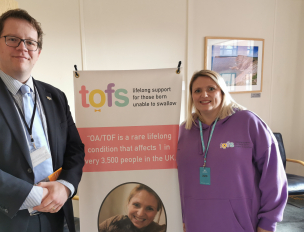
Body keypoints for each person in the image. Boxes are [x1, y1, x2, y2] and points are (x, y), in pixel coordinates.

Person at [0, 9, 84, 232]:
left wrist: (65, 187)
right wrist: (34, 196)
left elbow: (75, 150)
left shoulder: (55, 97)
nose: (22, 48)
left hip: (54, 219)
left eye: (30, 42)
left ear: (38, 52)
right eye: (12, 39)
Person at [176, 70, 287, 232]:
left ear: (222, 91)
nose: (204, 94)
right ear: (191, 96)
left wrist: (268, 222)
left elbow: (272, 173)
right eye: (197, 91)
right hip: (195, 222)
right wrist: (178, 216)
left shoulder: (248, 122)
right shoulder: (183, 131)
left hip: (239, 223)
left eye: (211, 89)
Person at [99, 184, 166, 232]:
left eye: (149, 208)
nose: (140, 214)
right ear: (128, 204)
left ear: (156, 211)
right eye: (136, 204)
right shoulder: (114, 220)